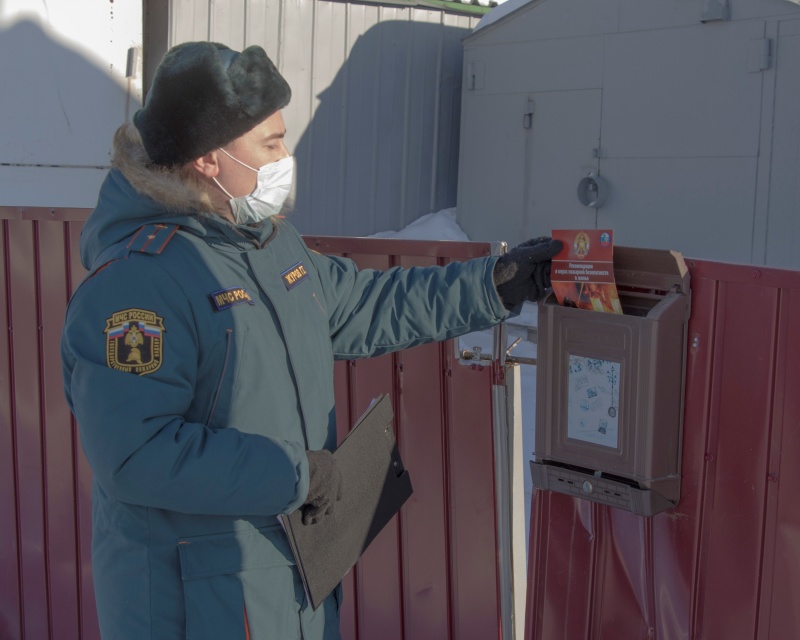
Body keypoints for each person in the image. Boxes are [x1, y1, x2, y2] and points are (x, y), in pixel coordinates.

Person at [60, 41, 561, 640]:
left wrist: (495, 287)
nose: (284, 155)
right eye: (269, 143)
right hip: (195, 604)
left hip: (288, 581)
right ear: (209, 159)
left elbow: (361, 305)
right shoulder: (137, 285)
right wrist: (298, 474)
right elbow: (136, 455)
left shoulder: (266, 245)